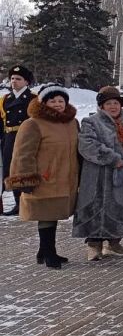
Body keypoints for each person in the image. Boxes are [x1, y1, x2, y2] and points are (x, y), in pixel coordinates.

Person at [4, 85, 79, 268]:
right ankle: (49, 253)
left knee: (53, 216)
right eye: (52, 101)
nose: (57, 104)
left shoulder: (71, 123)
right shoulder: (33, 124)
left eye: (61, 101)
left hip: (65, 178)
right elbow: (23, 154)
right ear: (44, 103)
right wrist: (25, 179)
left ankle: (43, 251)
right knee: (46, 215)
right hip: (43, 178)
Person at [73, 86, 123, 261]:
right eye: (108, 103)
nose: (113, 106)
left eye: (116, 103)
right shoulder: (91, 122)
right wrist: (113, 158)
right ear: (102, 106)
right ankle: (94, 246)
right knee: (95, 207)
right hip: (97, 174)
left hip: (121, 174)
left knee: (118, 207)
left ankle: (114, 242)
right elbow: (87, 145)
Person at [1, 65, 37, 216]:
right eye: (12, 79)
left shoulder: (33, 99)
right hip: (9, 138)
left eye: (18, 79)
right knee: (10, 168)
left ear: (26, 82)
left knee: (24, 168)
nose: (14, 82)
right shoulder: (5, 99)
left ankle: (26, 201)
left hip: (26, 137)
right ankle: (17, 202)